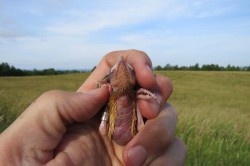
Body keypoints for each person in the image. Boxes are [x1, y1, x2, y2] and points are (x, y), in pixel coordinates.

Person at [0, 50, 186, 166]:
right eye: (114, 71)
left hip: (123, 135)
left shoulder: (132, 94)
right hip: (110, 131)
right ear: (108, 80)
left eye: (128, 69)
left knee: (143, 126)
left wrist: (145, 95)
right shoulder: (107, 95)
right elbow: (104, 119)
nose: (121, 63)